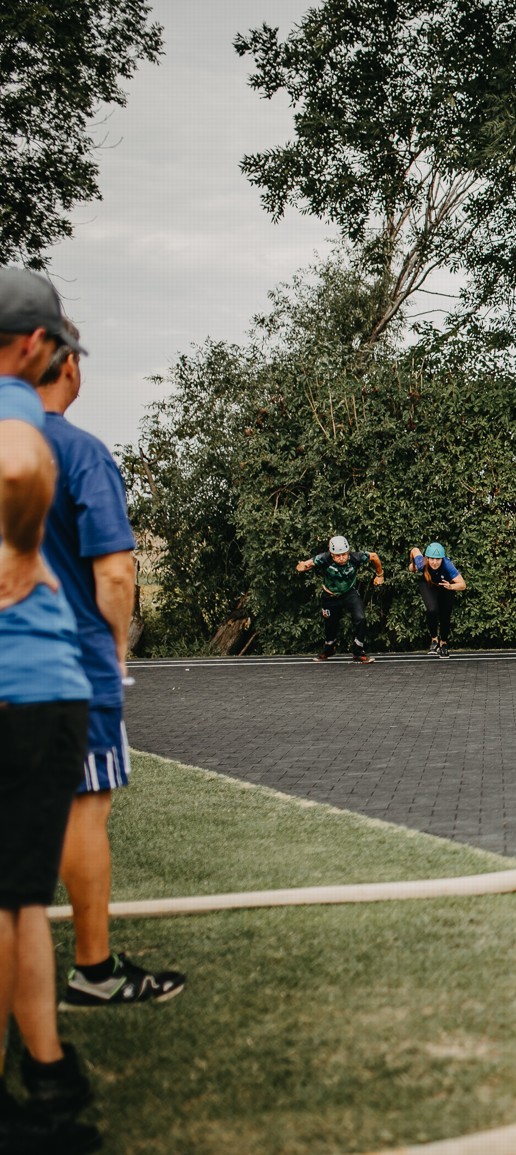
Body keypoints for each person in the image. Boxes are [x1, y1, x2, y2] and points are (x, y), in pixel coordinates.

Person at [30, 322, 187, 1024]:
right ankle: (93, 969)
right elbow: (117, 573)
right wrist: (115, 649)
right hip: (68, 665)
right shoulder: (79, 451)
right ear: (65, 366)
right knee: (83, 807)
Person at [0, 269, 103, 1153]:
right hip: (36, 684)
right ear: (38, 345)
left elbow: (18, 465)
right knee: (17, 898)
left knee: (12, 895)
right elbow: (17, 466)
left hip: (25, 686)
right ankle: (41, 1075)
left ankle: (36, 1077)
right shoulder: (19, 404)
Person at [295, 536, 384, 661]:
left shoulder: (355, 558)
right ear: (331, 554)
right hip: (330, 597)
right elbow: (307, 563)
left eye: (344, 554)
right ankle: (329, 649)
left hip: (349, 593)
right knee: (330, 624)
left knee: (361, 618)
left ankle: (358, 651)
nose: (341, 558)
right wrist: (302, 566)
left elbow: (374, 556)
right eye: (337, 555)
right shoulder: (324, 558)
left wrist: (380, 575)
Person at [410, 543, 465, 657]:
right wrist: (413, 565)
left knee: (445, 614)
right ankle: (434, 639)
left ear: (442, 559)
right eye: (432, 559)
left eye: (438, 559)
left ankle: (443, 642)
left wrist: (451, 586)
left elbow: (463, 585)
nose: (435, 562)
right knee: (432, 609)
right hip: (428, 584)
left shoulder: (447, 565)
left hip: (446, 586)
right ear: (427, 558)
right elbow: (414, 550)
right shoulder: (422, 563)